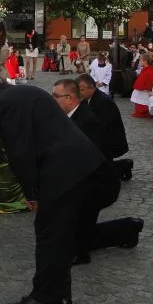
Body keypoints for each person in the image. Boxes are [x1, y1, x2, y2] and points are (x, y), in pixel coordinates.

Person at [0, 70, 103, 304]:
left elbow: (21, 152)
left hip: (63, 171)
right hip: (75, 166)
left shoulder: (6, 104)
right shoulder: (19, 93)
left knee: (49, 236)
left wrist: (31, 194)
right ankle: (60, 296)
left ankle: (43, 299)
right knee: (59, 237)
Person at [52, 81, 144, 263]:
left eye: (55, 96)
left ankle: (81, 253)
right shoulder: (72, 116)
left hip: (98, 184)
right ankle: (128, 228)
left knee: (78, 225)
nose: (52, 99)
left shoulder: (86, 121)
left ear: (69, 98)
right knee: (77, 228)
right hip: (86, 179)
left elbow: (89, 158)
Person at [76, 74, 131, 180]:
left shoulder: (104, 102)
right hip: (99, 138)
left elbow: (102, 128)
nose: (79, 93)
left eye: (81, 90)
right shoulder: (87, 99)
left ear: (91, 87)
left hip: (109, 142)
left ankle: (124, 165)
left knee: (100, 172)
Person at [129, 52, 153, 118]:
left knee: (143, 99)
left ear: (145, 61)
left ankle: (144, 112)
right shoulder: (145, 70)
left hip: (146, 91)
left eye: (140, 60)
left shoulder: (149, 71)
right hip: (142, 90)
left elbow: (149, 83)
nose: (139, 62)